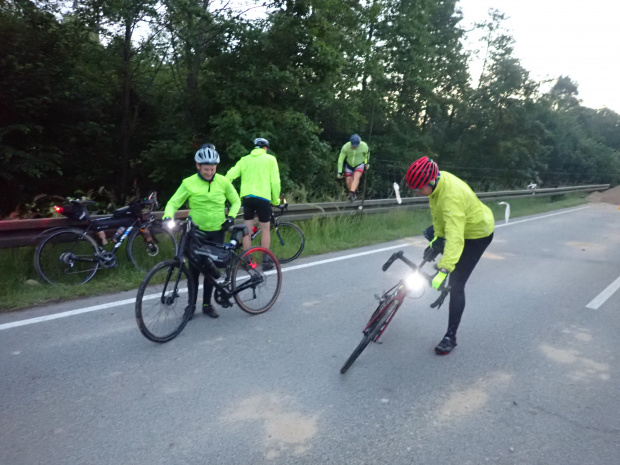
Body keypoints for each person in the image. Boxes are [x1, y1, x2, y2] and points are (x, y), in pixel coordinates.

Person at [405, 156, 494, 355]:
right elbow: (438, 215)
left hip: (478, 234)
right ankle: (445, 263)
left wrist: (445, 268)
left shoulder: (451, 196)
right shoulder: (437, 183)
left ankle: (450, 337)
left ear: (430, 182)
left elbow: (455, 236)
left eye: (419, 189)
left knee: (456, 284)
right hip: (460, 224)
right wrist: (437, 238)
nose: (417, 192)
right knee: (431, 235)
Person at [162, 144, 241, 319]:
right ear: (198, 166)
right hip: (195, 234)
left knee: (209, 272)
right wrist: (168, 216)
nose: (209, 172)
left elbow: (236, 201)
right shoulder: (188, 183)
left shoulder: (223, 181)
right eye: (206, 169)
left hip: (217, 232)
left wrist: (231, 217)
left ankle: (207, 305)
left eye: (212, 169)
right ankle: (191, 306)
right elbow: (173, 202)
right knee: (193, 271)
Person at [225, 137, 281, 270]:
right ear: (265, 148)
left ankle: (247, 261)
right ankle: (266, 262)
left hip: (247, 198)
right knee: (265, 229)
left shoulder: (244, 160)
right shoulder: (270, 159)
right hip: (263, 198)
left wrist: (228, 193)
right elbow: (275, 182)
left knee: (247, 230)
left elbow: (229, 176)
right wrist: (276, 200)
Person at [337, 134, 370, 201]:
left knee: (356, 176)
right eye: (353, 145)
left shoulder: (364, 146)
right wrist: (339, 171)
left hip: (359, 164)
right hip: (349, 165)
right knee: (348, 181)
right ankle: (353, 193)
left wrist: (366, 163)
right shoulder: (346, 147)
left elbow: (367, 155)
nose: (354, 147)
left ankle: (351, 194)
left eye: (356, 145)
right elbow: (341, 159)